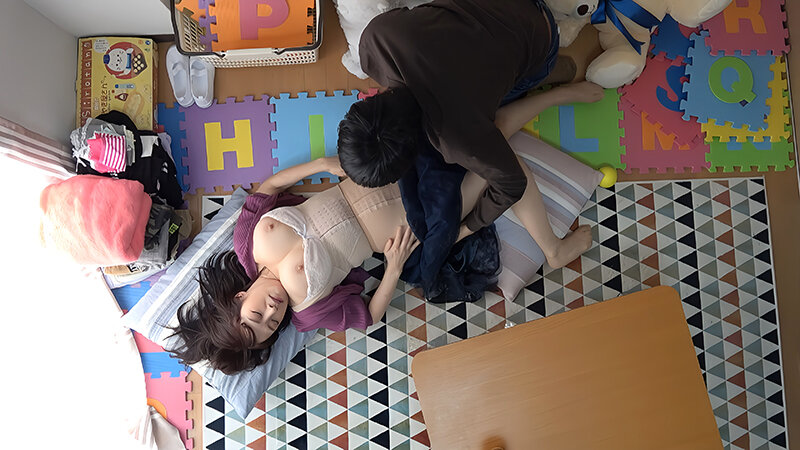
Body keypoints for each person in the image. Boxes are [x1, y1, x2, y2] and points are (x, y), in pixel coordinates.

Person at [170, 82, 603, 374]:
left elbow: (266, 189)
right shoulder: (308, 313)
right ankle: (553, 249)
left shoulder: (248, 242)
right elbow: (369, 315)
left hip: (384, 172)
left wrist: (321, 164)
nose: (271, 314)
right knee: (506, 166)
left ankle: (561, 93)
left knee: (483, 134)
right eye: (269, 327)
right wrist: (393, 267)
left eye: (256, 315)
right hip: (415, 218)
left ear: (239, 297)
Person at [337, 0, 589, 238]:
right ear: (362, 104)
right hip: (506, 10)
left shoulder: (456, 139)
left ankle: (548, 73)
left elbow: (512, 183)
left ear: (414, 153)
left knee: (500, 114)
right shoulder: (377, 38)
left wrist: (468, 227)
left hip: (543, 37)